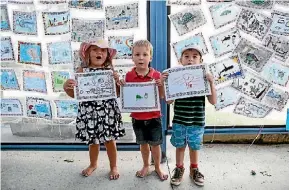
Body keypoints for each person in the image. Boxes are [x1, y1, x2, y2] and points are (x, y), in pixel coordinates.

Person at [63, 39, 125, 180]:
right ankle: (93, 164)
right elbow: (75, 94)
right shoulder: (81, 71)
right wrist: (67, 88)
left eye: (103, 50)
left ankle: (113, 166)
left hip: (108, 111)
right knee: (93, 141)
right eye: (95, 49)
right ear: (87, 54)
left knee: (110, 140)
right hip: (89, 112)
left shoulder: (110, 71)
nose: (99, 52)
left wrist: (118, 82)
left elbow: (118, 93)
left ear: (107, 55)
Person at [162, 46, 217, 186]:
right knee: (180, 146)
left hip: (197, 122)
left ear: (201, 61)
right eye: (186, 56)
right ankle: (179, 168)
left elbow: (213, 101)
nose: (190, 59)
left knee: (194, 147)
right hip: (179, 121)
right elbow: (168, 101)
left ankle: (194, 169)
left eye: (194, 56)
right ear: (180, 60)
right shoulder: (175, 78)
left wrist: (211, 82)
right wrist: (165, 83)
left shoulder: (204, 79)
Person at [120, 40, 168, 181]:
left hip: (154, 117)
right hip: (137, 118)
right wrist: (123, 86)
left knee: (156, 145)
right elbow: (126, 96)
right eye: (137, 54)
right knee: (143, 144)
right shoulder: (128, 76)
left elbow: (162, 96)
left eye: (145, 54)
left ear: (150, 58)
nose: (141, 57)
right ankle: (146, 165)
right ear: (132, 57)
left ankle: (158, 166)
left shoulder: (157, 75)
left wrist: (161, 85)